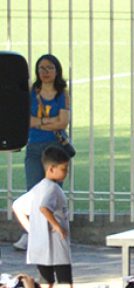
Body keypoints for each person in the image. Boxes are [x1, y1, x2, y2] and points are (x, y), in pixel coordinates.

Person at [17, 54, 69, 236]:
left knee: (53, 191)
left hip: (55, 148)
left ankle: (54, 229)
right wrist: (49, 121)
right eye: (42, 68)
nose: (45, 72)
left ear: (57, 71)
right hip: (35, 145)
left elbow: (63, 122)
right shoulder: (32, 93)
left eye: (50, 68)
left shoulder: (62, 93)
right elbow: (27, 120)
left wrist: (39, 121)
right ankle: (32, 232)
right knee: (33, 190)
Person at [11, 145, 72, 288]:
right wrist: (57, 227)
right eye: (63, 169)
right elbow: (44, 208)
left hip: (41, 244)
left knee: (46, 280)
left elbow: (17, 206)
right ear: (51, 169)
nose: (66, 173)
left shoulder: (38, 188)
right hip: (56, 244)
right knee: (64, 279)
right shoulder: (53, 189)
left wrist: (31, 229)